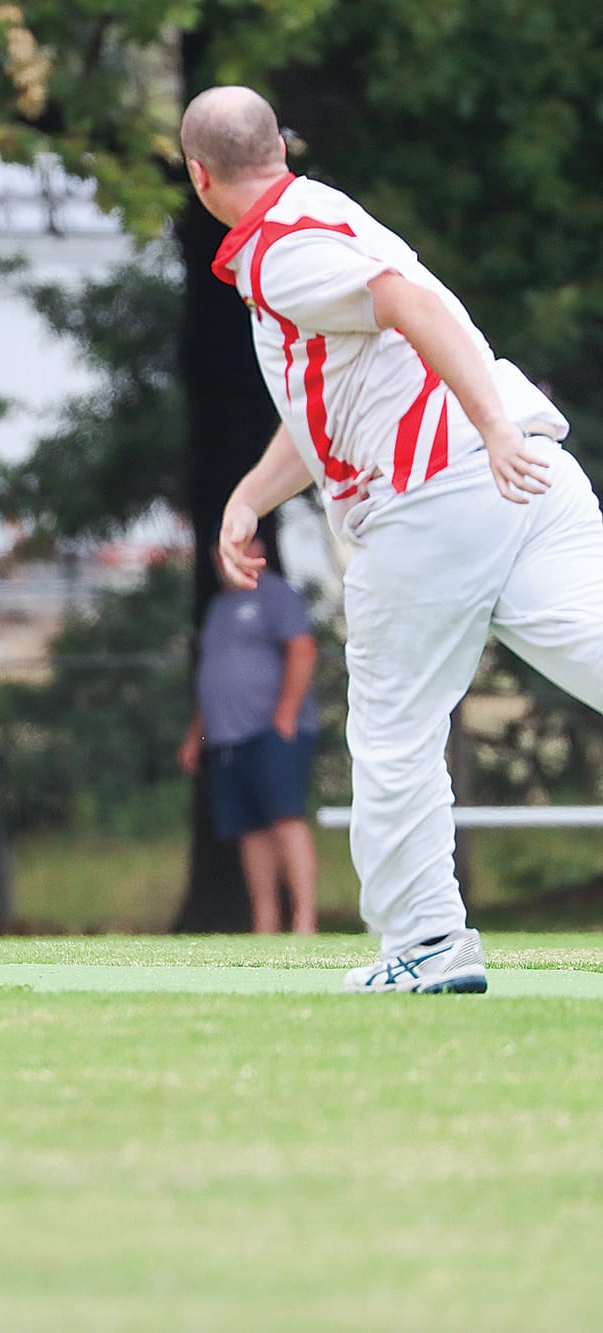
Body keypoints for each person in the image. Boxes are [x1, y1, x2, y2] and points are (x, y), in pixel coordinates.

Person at [183, 85, 603, 993]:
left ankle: (424, 943)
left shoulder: (277, 251)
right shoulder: (326, 212)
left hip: (446, 487)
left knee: (393, 730)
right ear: (279, 151)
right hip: (531, 472)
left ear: (198, 174)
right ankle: (422, 939)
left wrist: (486, 427)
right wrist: (251, 496)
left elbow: (409, 304)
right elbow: (330, 402)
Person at [178, 538, 321, 934]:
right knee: (250, 831)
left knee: (285, 820)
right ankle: (265, 922)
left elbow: (303, 649)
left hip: (271, 731)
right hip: (227, 738)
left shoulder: (275, 595)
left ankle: (305, 920)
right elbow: (214, 674)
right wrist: (196, 736)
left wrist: (286, 716)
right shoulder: (219, 607)